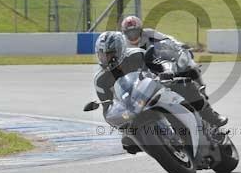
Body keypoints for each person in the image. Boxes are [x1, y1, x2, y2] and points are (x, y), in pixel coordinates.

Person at [93, 31, 227, 147]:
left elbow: (157, 62)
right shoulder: (100, 80)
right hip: (133, 107)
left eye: (110, 54)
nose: (106, 58)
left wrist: (166, 70)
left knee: (185, 84)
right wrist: (118, 122)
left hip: (157, 88)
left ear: (120, 49)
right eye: (102, 54)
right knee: (128, 142)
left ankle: (210, 117)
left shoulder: (137, 55)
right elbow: (107, 108)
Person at [120, 16, 227, 127]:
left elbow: (167, 40)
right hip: (139, 78)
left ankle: (208, 112)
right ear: (124, 33)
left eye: (135, 31)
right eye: (129, 32)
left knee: (190, 70)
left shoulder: (149, 34)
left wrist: (179, 46)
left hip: (160, 67)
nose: (133, 35)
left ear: (141, 30)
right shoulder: (122, 44)